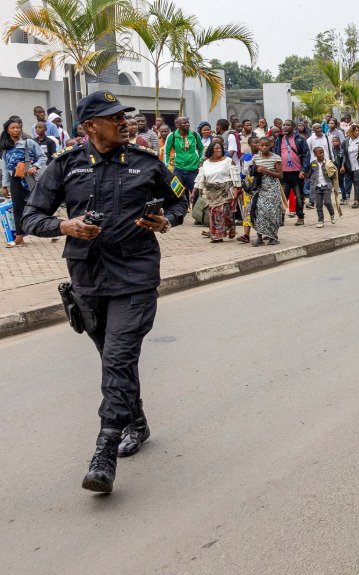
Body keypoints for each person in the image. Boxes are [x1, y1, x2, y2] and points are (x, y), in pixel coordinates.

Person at [21, 91, 188, 493]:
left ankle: (104, 451)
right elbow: (29, 216)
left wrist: (166, 223)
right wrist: (65, 227)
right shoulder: (65, 166)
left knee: (117, 357)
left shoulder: (147, 163)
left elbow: (181, 201)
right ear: (90, 127)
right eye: (115, 118)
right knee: (113, 358)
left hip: (135, 275)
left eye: (124, 117)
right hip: (88, 279)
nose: (124, 123)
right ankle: (138, 421)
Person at [1, 118, 46, 247]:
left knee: (38, 205)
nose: (15, 130)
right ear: (7, 130)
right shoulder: (5, 147)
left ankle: (53, 231)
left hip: (30, 179)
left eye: (17, 127)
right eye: (12, 128)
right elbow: (5, 166)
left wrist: (35, 166)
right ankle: (19, 237)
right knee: (17, 208)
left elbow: (42, 157)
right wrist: (5, 184)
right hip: (15, 180)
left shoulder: (29, 142)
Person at [193, 140, 241, 242]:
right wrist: (194, 192)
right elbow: (200, 178)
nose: (219, 150)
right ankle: (217, 235)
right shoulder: (206, 163)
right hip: (211, 192)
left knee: (225, 213)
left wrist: (237, 188)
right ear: (211, 150)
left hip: (225, 190)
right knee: (214, 213)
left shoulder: (228, 161)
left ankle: (230, 226)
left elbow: (236, 177)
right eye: (216, 148)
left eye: (220, 148)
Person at [274, 119, 310, 225]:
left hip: (297, 173)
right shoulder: (279, 139)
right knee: (283, 197)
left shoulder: (299, 139)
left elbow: (306, 154)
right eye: (284, 125)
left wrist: (303, 169)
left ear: (293, 127)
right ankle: (280, 218)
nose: (285, 127)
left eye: (288, 125)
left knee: (299, 197)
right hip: (283, 173)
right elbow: (276, 155)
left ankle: (300, 217)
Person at [250, 136, 285, 246]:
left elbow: (280, 174)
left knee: (272, 212)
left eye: (266, 145)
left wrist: (266, 171)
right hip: (260, 188)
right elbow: (251, 171)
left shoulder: (276, 158)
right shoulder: (255, 157)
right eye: (262, 146)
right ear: (259, 146)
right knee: (258, 212)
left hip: (272, 188)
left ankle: (273, 237)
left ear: (270, 145)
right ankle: (259, 237)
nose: (264, 148)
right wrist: (256, 170)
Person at [164, 116, 203, 204]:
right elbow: (166, 152)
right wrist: (166, 166)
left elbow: (201, 149)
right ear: (177, 125)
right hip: (178, 170)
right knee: (176, 192)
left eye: (188, 122)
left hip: (193, 170)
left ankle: (196, 215)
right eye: (184, 123)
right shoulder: (172, 136)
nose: (187, 124)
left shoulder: (195, 135)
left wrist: (201, 161)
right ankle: (179, 212)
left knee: (196, 193)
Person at [309, 145, 340, 227]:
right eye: (320, 153)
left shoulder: (328, 163)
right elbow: (310, 173)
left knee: (327, 202)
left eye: (323, 152)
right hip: (317, 186)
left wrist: (332, 173)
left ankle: (332, 214)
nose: (322, 154)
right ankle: (320, 220)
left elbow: (334, 173)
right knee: (318, 204)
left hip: (326, 185)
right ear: (315, 154)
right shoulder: (313, 164)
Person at [339, 124, 359, 208]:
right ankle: (358, 198)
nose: (358, 132)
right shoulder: (346, 141)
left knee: (357, 182)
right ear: (351, 131)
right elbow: (343, 154)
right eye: (356, 131)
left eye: (358, 130)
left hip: (358, 165)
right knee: (349, 181)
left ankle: (355, 201)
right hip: (348, 166)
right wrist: (342, 166)